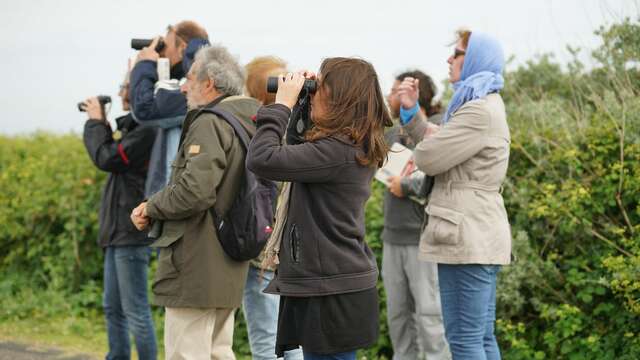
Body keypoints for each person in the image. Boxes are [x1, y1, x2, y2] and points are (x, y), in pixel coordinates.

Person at [246, 58, 393, 360]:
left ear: (339, 97)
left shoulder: (336, 152)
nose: (313, 92)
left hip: (330, 289)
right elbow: (298, 147)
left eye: (319, 87)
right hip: (333, 282)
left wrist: (282, 105)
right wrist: (303, 103)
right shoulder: (346, 146)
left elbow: (262, 159)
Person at [130, 45, 260, 359]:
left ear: (209, 83)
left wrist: (151, 206)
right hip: (228, 262)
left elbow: (195, 191)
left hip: (196, 263)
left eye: (189, 78)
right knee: (218, 351)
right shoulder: (248, 122)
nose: (184, 87)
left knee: (186, 353)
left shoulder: (209, 121)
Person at [397, 30, 511, 359]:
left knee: (464, 340)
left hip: (466, 235)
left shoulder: (477, 111)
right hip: (477, 233)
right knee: (481, 337)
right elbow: (439, 139)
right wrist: (412, 113)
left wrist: (421, 149)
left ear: (474, 59)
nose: (449, 59)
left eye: (457, 53)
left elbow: (429, 157)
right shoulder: (481, 104)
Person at [80, 70, 157, 360]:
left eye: (127, 86)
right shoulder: (135, 128)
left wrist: (96, 122)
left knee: (135, 310)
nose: (123, 92)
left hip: (131, 234)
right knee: (113, 308)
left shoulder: (147, 131)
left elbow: (107, 157)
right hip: (117, 234)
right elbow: (112, 151)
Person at [383, 70, 450, 360]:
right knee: (398, 317)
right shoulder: (390, 131)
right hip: (392, 237)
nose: (389, 95)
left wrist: (407, 186)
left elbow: (437, 176)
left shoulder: (439, 127)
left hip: (422, 238)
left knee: (430, 316)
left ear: (413, 93)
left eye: (395, 91)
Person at [242, 56, 303, 360]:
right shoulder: (302, 130)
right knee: (292, 340)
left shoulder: (261, 132)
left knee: (266, 339)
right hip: (295, 248)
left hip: (264, 250)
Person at [129, 20, 209, 196]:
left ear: (183, 48)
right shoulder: (209, 79)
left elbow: (144, 109)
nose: (162, 51)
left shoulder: (195, 87)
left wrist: (145, 64)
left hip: (178, 201)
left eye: (165, 45)